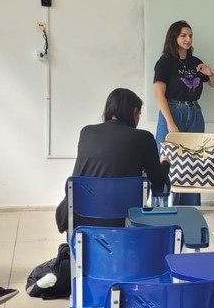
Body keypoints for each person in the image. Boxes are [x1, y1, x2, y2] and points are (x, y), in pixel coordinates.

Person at [55, 88, 170, 233]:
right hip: (124, 220)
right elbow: (158, 179)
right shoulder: (143, 137)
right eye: (139, 114)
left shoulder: (87, 132)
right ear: (134, 111)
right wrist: (165, 163)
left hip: (81, 219)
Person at [153, 20, 214, 206]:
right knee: (166, 156)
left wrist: (210, 73)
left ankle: (189, 207)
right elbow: (159, 94)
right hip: (172, 109)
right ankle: (163, 206)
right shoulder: (165, 62)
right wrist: (170, 122)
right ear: (173, 37)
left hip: (194, 111)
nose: (188, 39)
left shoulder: (195, 62)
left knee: (195, 159)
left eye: (190, 36)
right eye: (183, 35)